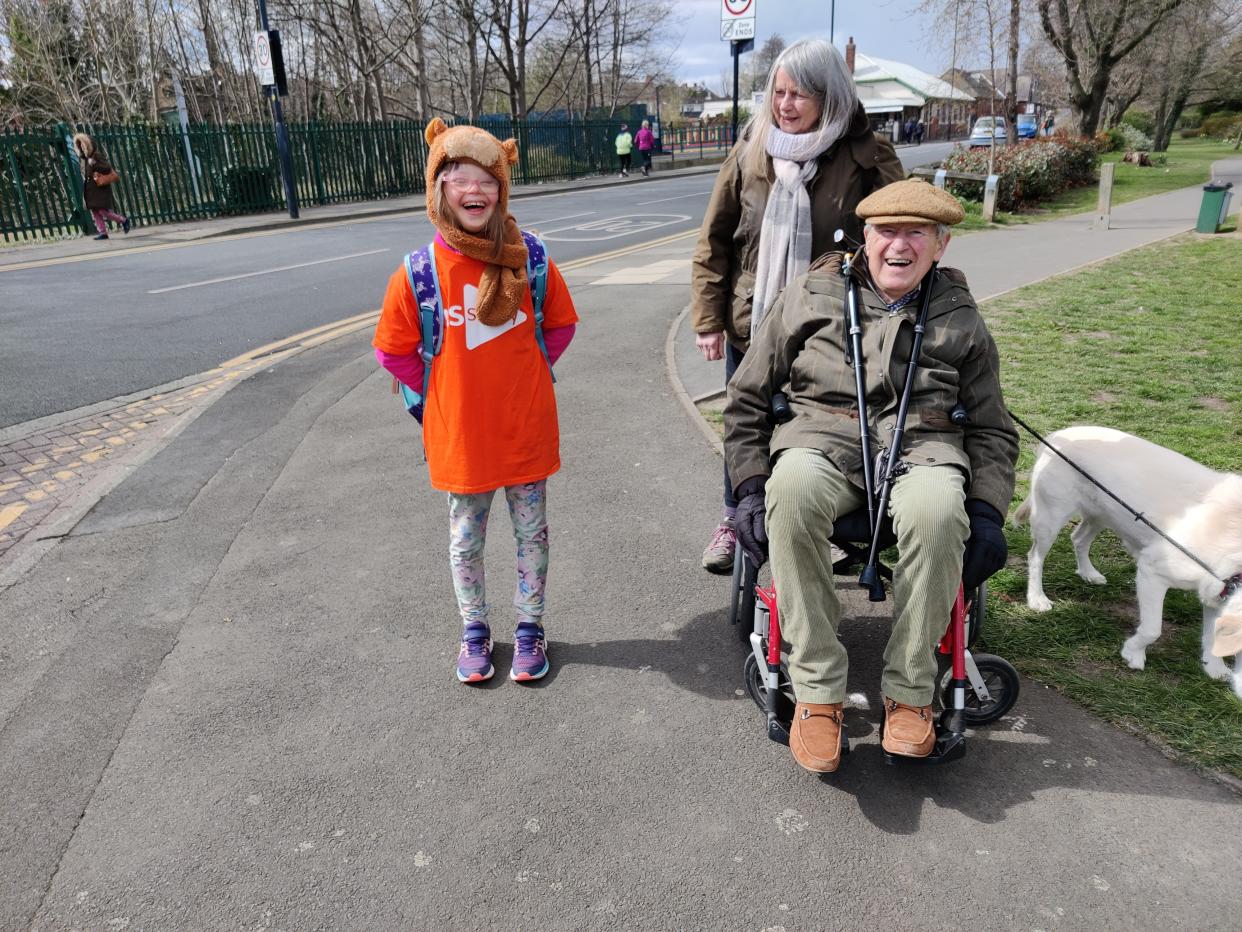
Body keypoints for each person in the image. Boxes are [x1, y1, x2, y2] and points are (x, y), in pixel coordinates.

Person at [724, 179, 1018, 772]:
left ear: (941, 244)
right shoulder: (812, 293)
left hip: (924, 444)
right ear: (866, 237)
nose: (899, 246)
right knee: (792, 491)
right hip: (822, 437)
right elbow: (748, 398)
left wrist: (987, 512)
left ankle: (910, 693)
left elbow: (992, 428)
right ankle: (817, 691)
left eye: (916, 233)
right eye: (887, 231)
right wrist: (750, 487)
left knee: (940, 509)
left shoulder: (959, 316)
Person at [373, 119, 578, 684]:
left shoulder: (529, 258)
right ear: (437, 188)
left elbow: (558, 327)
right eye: (457, 175)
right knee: (466, 543)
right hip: (461, 438)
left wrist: (527, 376)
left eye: (488, 177)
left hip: (525, 432)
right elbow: (393, 350)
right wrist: (434, 395)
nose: (474, 189)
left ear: (502, 186)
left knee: (532, 535)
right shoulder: (418, 272)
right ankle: (475, 632)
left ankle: (530, 629)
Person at [689, 37, 904, 575]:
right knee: (748, 416)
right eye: (778, 92)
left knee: (820, 421)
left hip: (834, 325)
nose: (784, 104)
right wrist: (709, 318)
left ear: (830, 96)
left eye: (799, 94)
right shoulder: (751, 150)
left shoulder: (869, 158)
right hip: (755, 322)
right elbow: (715, 240)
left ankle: (816, 520)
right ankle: (735, 515)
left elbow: (900, 232)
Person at [72, 133, 130, 241]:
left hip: (99, 188)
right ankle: (102, 232)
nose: (81, 147)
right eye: (79, 145)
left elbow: (107, 168)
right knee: (94, 211)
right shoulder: (84, 158)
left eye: (83, 145)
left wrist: (95, 164)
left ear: (88, 145)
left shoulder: (96, 156)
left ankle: (123, 220)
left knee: (103, 211)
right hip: (90, 190)